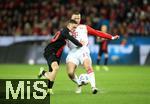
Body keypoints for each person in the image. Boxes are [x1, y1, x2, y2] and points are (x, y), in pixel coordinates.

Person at [66, 11, 119, 94]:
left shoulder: (84, 27)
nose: (77, 20)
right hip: (72, 53)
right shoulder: (66, 30)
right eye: (75, 18)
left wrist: (111, 37)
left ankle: (93, 87)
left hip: (83, 50)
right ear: (71, 19)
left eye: (78, 18)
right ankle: (79, 83)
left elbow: (97, 32)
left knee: (88, 66)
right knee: (70, 73)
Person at [38, 19, 83, 94]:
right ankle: (43, 72)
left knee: (53, 72)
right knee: (56, 68)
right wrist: (81, 44)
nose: (74, 29)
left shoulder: (64, 31)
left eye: (75, 28)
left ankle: (49, 89)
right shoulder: (66, 31)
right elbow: (73, 40)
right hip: (50, 51)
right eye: (74, 27)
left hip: (56, 54)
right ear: (69, 25)